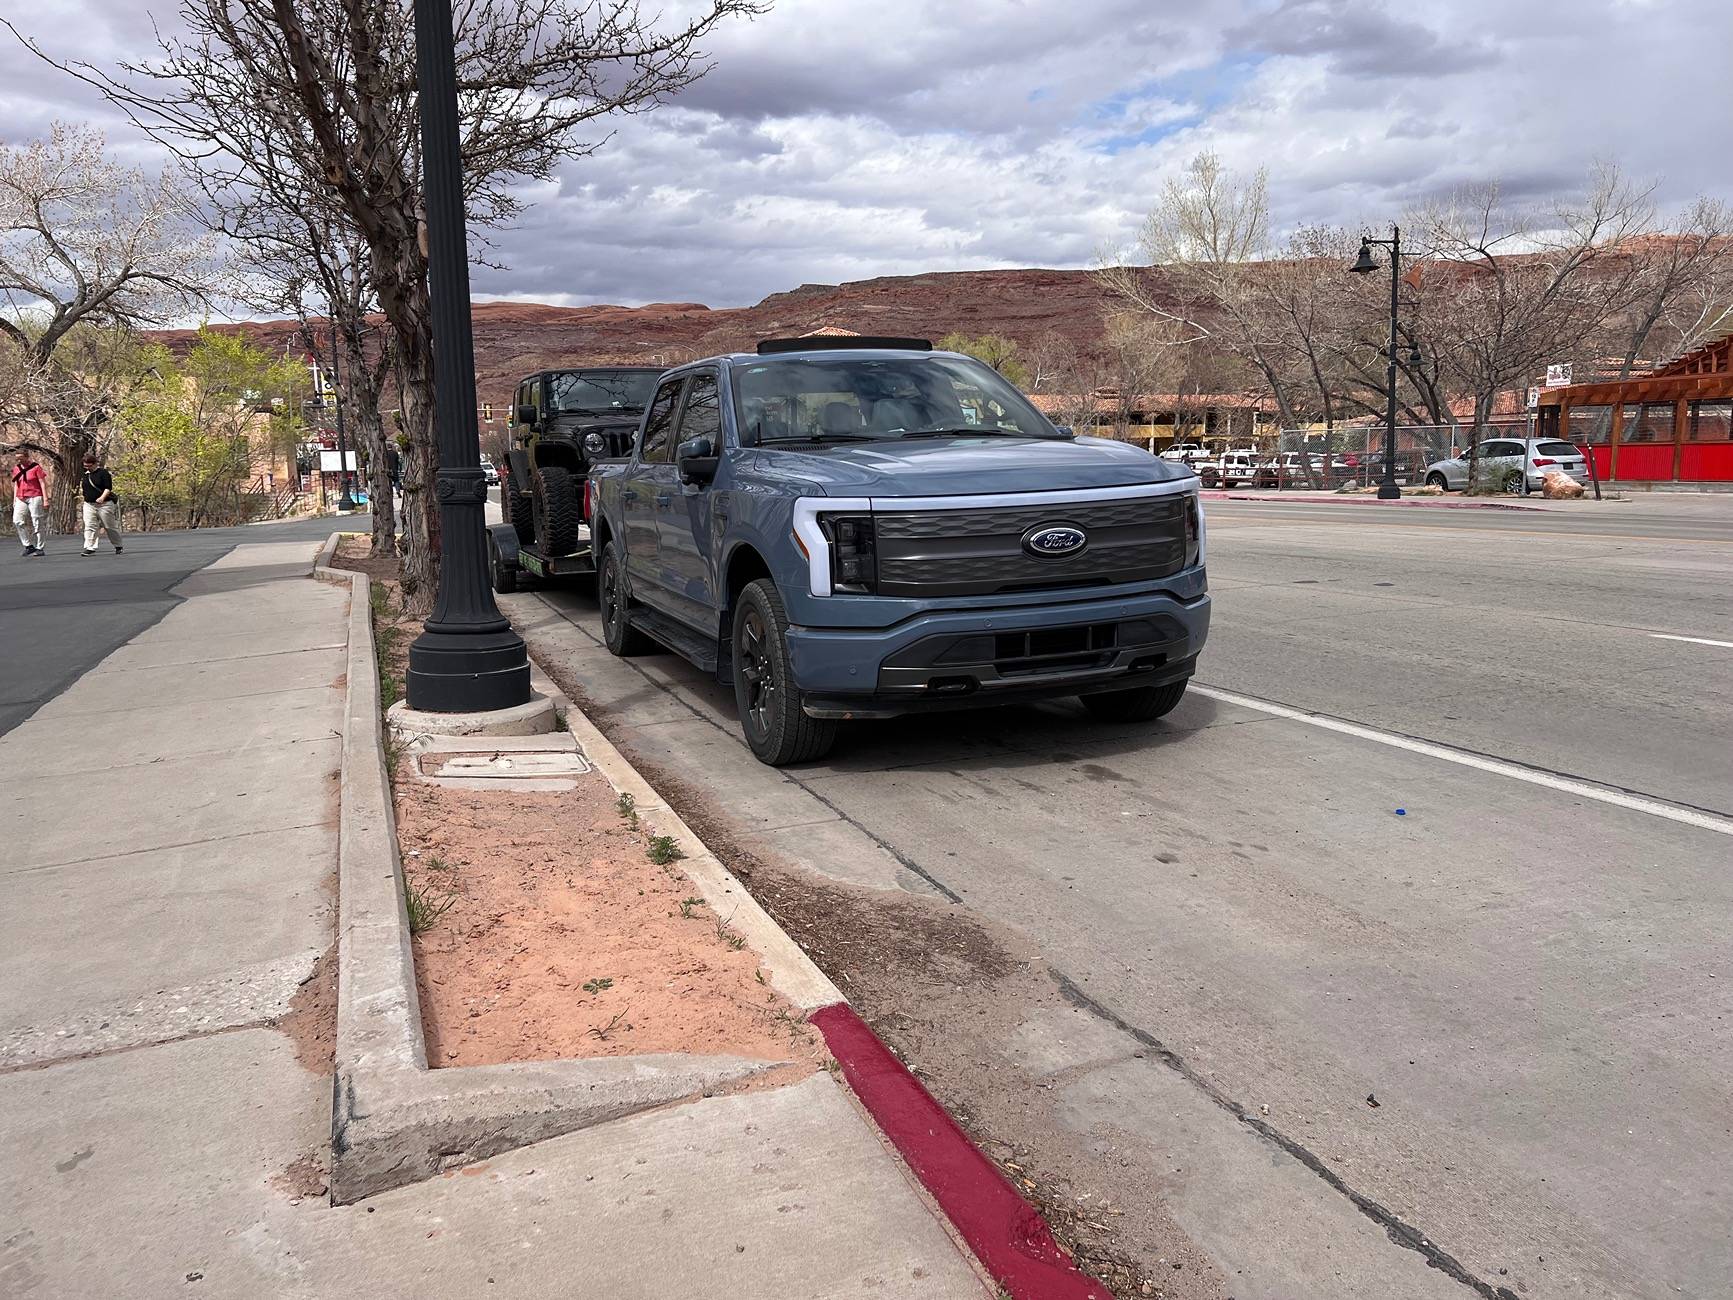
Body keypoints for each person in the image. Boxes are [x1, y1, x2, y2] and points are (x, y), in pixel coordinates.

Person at [80, 453, 123, 556]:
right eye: (85, 466)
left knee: (109, 526)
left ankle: (118, 545)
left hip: (104, 504)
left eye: (89, 466)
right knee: (90, 525)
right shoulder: (86, 474)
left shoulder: (103, 473)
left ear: (95, 464)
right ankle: (90, 547)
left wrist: (102, 498)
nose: (87, 468)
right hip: (89, 504)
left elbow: (108, 488)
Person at [11, 448, 48, 557]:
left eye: (21, 459)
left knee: (37, 521)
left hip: (34, 496)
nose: (19, 461)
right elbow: (16, 484)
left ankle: (40, 547)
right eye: (17, 459)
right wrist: (14, 499)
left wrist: (45, 498)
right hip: (21, 497)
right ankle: (28, 545)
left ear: (27, 457)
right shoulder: (16, 469)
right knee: (17, 521)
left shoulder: (35, 467)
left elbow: (42, 483)